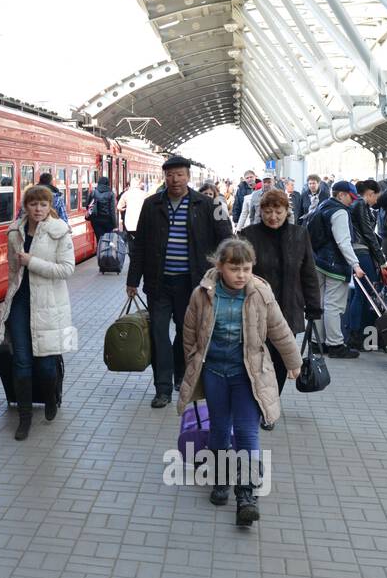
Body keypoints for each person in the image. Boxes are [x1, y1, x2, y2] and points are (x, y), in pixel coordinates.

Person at [178, 238, 302, 528]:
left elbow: (279, 329)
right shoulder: (203, 294)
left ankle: (246, 493)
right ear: (220, 266)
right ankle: (221, 479)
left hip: (248, 375)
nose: (241, 275)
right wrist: (193, 362)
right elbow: (189, 331)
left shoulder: (260, 292)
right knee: (220, 429)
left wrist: (294, 362)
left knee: (247, 432)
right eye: (235, 269)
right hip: (215, 374)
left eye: (246, 269)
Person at [126, 155, 233, 409]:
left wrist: (222, 275)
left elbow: (225, 239)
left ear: (188, 176)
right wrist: (133, 280)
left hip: (192, 284)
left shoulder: (206, 204)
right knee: (159, 333)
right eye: (170, 175)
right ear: (164, 177)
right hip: (158, 283)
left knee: (187, 334)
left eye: (180, 174)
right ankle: (162, 388)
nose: (175, 180)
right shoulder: (152, 205)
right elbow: (139, 244)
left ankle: (180, 374)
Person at [0, 184, 76, 440]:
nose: (38, 209)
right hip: (20, 302)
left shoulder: (59, 232)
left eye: (43, 204)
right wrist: (7, 300)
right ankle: (25, 418)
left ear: (49, 206)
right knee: (21, 361)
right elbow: (12, 271)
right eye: (33, 204)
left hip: (48, 303)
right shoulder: (14, 232)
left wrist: (33, 262)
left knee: (45, 364)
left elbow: (67, 269)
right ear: (25, 206)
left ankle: (51, 398)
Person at [240, 189, 323, 402]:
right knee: (255, 358)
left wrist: (314, 308)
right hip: (256, 310)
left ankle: (270, 404)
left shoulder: (299, 234)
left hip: (288, 309)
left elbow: (309, 273)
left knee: (279, 360)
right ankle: (255, 400)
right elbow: (238, 273)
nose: (273, 216)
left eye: (278, 211)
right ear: (261, 211)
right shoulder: (249, 235)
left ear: (287, 210)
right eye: (268, 211)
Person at [308, 180, 364, 359]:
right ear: (341, 195)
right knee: (333, 305)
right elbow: (343, 241)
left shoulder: (323, 205)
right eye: (351, 197)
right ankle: (336, 344)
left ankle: (318, 342)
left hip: (319, 261)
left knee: (320, 303)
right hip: (335, 265)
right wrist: (355, 264)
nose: (352, 201)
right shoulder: (340, 211)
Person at [342, 179, 387, 351]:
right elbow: (368, 233)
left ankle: (354, 333)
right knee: (364, 293)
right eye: (376, 197)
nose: (377, 201)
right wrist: (381, 260)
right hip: (361, 251)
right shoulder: (360, 205)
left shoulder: (359, 206)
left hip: (359, 250)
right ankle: (355, 335)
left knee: (359, 294)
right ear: (370, 193)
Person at [87, 175, 117, 241]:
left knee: (99, 239)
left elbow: (88, 206)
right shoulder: (111, 194)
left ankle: (99, 250)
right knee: (108, 240)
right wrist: (115, 225)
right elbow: (112, 211)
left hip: (95, 220)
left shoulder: (93, 192)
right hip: (107, 221)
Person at [117, 174, 144, 244]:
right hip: (142, 224)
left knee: (130, 243)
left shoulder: (126, 194)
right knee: (141, 243)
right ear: (139, 184)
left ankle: (132, 253)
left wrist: (124, 209)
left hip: (130, 224)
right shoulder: (145, 194)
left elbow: (119, 206)